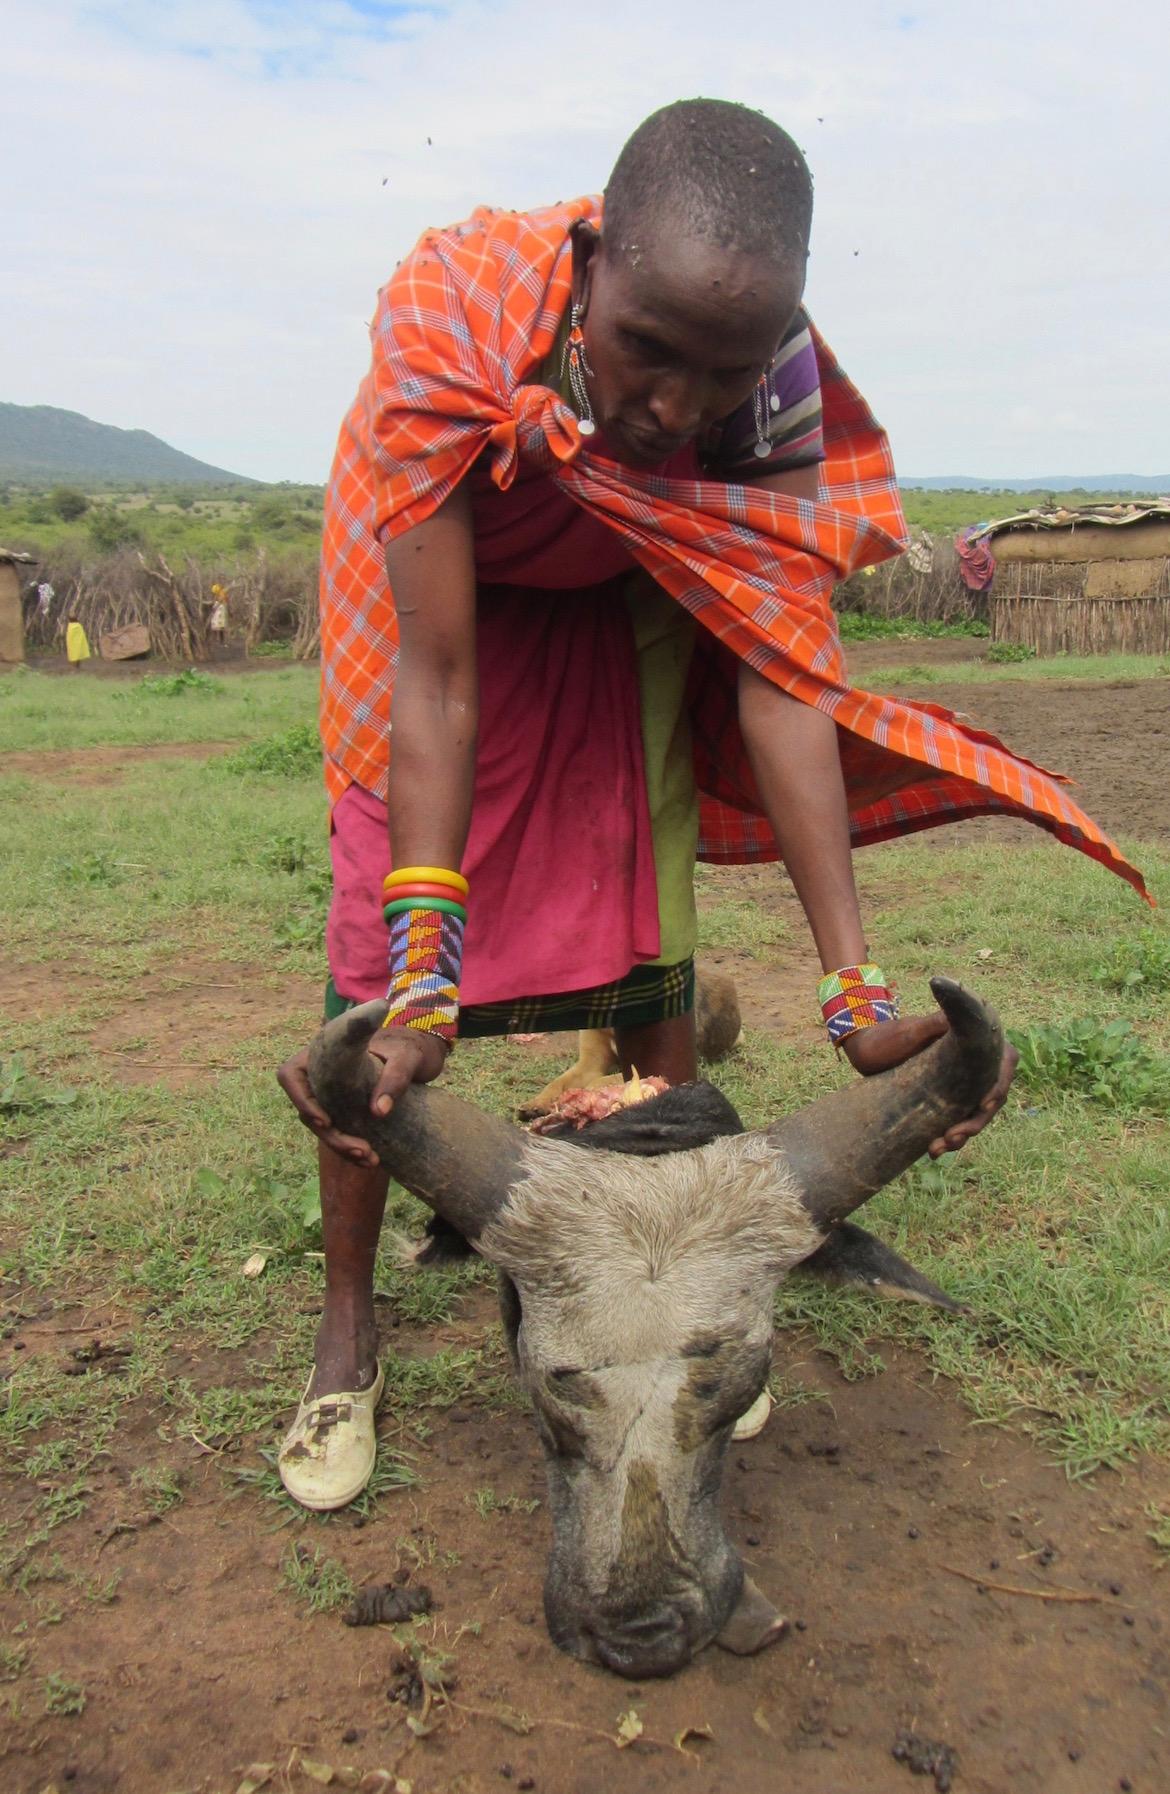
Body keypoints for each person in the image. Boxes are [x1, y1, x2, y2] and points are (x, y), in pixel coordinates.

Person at [276, 99, 1144, 1511]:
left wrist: (856, 996)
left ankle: (667, 1317)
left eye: (721, 373)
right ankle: (346, 1330)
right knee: (368, 999)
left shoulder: (775, 383)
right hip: (437, 599)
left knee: (644, 918)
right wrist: (426, 987)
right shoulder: (451, 317)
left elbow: (781, 674)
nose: (675, 408)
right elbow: (433, 688)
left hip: (624, 582)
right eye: (645, 351)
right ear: (592, 256)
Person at [208, 583, 228, 647]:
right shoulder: (220, 594)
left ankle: (220, 641)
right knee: (217, 626)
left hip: (220, 610)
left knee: (219, 627)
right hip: (219, 610)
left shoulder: (221, 594)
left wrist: (214, 607)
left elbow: (220, 601)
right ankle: (218, 641)